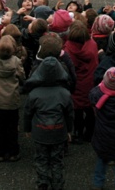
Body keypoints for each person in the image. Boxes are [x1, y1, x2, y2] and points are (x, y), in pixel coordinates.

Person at [24, 53, 73, 190]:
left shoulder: (34, 94)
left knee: (41, 159)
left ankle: (42, 184)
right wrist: (69, 130)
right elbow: (69, 114)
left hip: (40, 131)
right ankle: (58, 184)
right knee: (57, 161)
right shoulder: (64, 93)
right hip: (59, 130)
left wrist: (27, 129)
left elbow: (27, 113)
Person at [0, 34, 25, 162]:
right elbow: (22, 77)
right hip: (12, 100)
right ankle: (13, 152)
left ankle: (0, 153)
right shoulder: (16, 61)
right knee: (12, 127)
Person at [63, 20, 98, 142]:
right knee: (90, 108)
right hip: (90, 81)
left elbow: (68, 67)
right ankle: (90, 133)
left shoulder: (69, 49)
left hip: (76, 83)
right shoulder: (92, 44)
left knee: (77, 110)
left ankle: (78, 133)